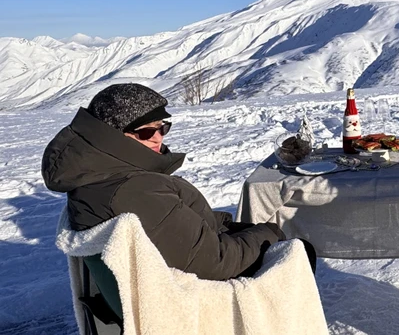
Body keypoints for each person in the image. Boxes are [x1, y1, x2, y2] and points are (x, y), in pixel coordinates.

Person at [42, 83, 314, 280]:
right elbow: (215, 263)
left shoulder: (104, 172)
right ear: (112, 136)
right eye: (146, 131)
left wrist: (234, 227)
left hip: (174, 267)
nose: (158, 138)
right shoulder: (132, 190)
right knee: (299, 251)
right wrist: (270, 233)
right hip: (196, 293)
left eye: (163, 128)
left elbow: (177, 224)